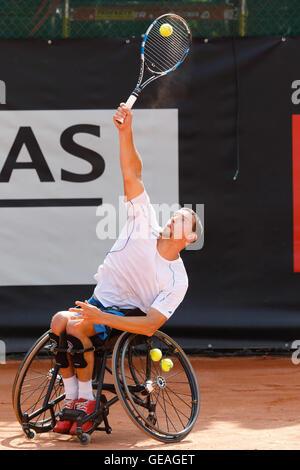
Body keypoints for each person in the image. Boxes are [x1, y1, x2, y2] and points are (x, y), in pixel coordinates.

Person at [50, 104, 202, 435]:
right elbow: (133, 173)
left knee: (76, 329)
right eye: (174, 214)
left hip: (126, 321)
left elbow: (150, 325)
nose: (174, 217)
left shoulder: (178, 280)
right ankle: (74, 398)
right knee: (60, 321)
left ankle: (87, 400)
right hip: (100, 302)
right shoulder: (144, 220)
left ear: (189, 238)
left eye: (183, 219)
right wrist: (124, 131)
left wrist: (102, 319)